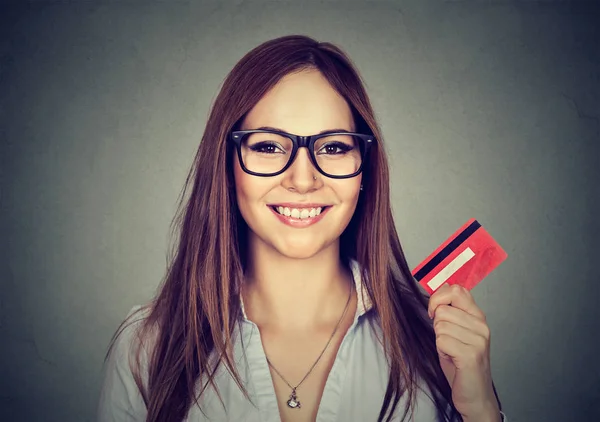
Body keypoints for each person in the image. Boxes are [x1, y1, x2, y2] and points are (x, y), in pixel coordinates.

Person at [96, 35, 507, 422]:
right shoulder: (146, 347)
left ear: (364, 169)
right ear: (227, 165)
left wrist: (482, 413)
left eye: (333, 147)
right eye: (269, 146)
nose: (303, 179)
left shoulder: (434, 346)